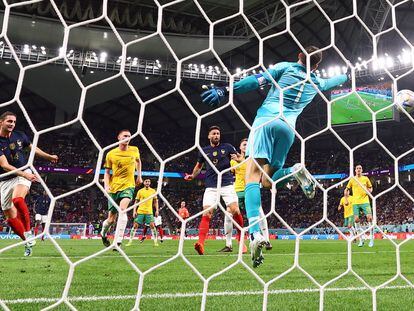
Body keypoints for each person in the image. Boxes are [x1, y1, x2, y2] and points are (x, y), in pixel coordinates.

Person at [201, 46, 348, 267]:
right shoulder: (317, 82)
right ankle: (293, 171)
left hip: (267, 121)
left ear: (299, 55)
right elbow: (333, 81)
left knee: (252, 178)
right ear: (317, 65)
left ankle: (255, 234)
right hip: (288, 130)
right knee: (268, 182)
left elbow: (254, 81)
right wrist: (347, 75)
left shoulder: (285, 67)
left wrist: (226, 90)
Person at [0, 111, 58, 256]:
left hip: (23, 172)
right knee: (10, 218)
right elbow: (5, 165)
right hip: (6, 178)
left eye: (13, 121)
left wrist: (48, 156)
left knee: (18, 199)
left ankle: (29, 232)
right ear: (1, 122)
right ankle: (27, 241)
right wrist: (25, 174)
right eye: (9, 121)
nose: (12, 124)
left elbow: (32, 148)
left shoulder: (19, 135)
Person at [185, 126, 245, 255]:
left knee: (235, 210)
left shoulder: (227, 147)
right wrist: (192, 176)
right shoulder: (204, 151)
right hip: (211, 186)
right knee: (207, 213)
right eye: (214, 134)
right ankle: (200, 243)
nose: (216, 135)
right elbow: (198, 166)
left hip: (227, 184)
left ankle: (241, 241)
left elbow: (240, 158)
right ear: (209, 136)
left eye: (218, 133)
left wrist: (238, 159)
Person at [223, 138, 272, 252]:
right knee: (228, 215)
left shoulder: (254, 159)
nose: (246, 146)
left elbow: (260, 172)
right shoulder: (233, 161)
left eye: (248, 144)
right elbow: (230, 173)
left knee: (260, 214)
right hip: (237, 190)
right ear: (240, 147)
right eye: (244, 144)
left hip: (251, 189)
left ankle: (267, 240)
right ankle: (228, 244)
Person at [101, 129, 142, 249]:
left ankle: (117, 241)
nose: (127, 137)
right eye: (125, 136)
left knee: (123, 209)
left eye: (129, 136)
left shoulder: (134, 150)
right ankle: (103, 234)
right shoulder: (110, 154)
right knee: (111, 220)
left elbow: (138, 162)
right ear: (118, 137)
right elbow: (107, 172)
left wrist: (139, 176)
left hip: (128, 185)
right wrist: (106, 186)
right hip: (114, 188)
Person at [344, 165, 374, 247]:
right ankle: (361, 240)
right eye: (357, 168)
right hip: (355, 203)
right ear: (355, 170)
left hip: (365, 201)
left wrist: (369, 192)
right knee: (356, 220)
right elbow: (346, 189)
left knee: (370, 218)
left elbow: (371, 188)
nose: (358, 170)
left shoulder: (365, 178)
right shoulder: (352, 179)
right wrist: (346, 199)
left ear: (362, 170)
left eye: (360, 168)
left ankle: (371, 239)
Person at [127, 179, 159, 246]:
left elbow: (156, 201)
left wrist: (157, 210)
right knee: (135, 225)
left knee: (152, 226)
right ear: (144, 183)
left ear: (150, 183)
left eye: (148, 182)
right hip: (140, 211)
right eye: (146, 181)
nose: (147, 183)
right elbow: (136, 202)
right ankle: (130, 241)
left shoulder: (153, 191)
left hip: (149, 212)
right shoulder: (140, 191)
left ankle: (155, 241)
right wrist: (134, 211)